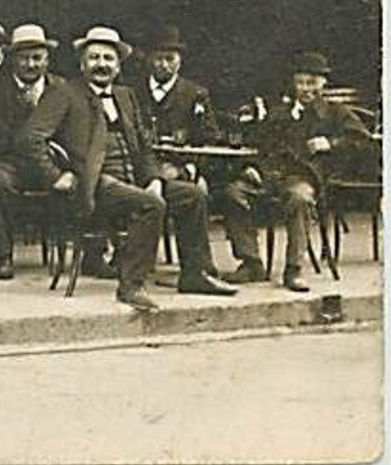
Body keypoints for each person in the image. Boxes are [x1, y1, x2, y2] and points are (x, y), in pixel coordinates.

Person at [22, 26, 236, 312]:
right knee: (150, 205)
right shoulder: (64, 93)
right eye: (94, 58)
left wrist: (154, 178)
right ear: (82, 64)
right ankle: (131, 285)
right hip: (93, 184)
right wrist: (55, 175)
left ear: (118, 64)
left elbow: (143, 147)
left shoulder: (125, 95)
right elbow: (29, 138)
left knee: (191, 195)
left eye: (108, 59)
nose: (101, 64)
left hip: (131, 181)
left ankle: (195, 273)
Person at [222, 51, 368, 292]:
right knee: (233, 192)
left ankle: (294, 269)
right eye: (300, 82)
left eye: (312, 83)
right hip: (271, 177)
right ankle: (251, 263)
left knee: (299, 198)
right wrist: (254, 168)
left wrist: (331, 143)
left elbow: (363, 142)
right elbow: (260, 145)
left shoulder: (335, 112)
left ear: (323, 83)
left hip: (306, 178)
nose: (305, 88)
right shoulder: (281, 112)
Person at [0, 23, 62, 280]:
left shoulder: (61, 88)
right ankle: (2, 256)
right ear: (12, 59)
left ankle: (92, 254)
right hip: (6, 161)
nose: (31, 65)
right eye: (24, 59)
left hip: (49, 162)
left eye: (37, 58)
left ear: (47, 59)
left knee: (84, 174)